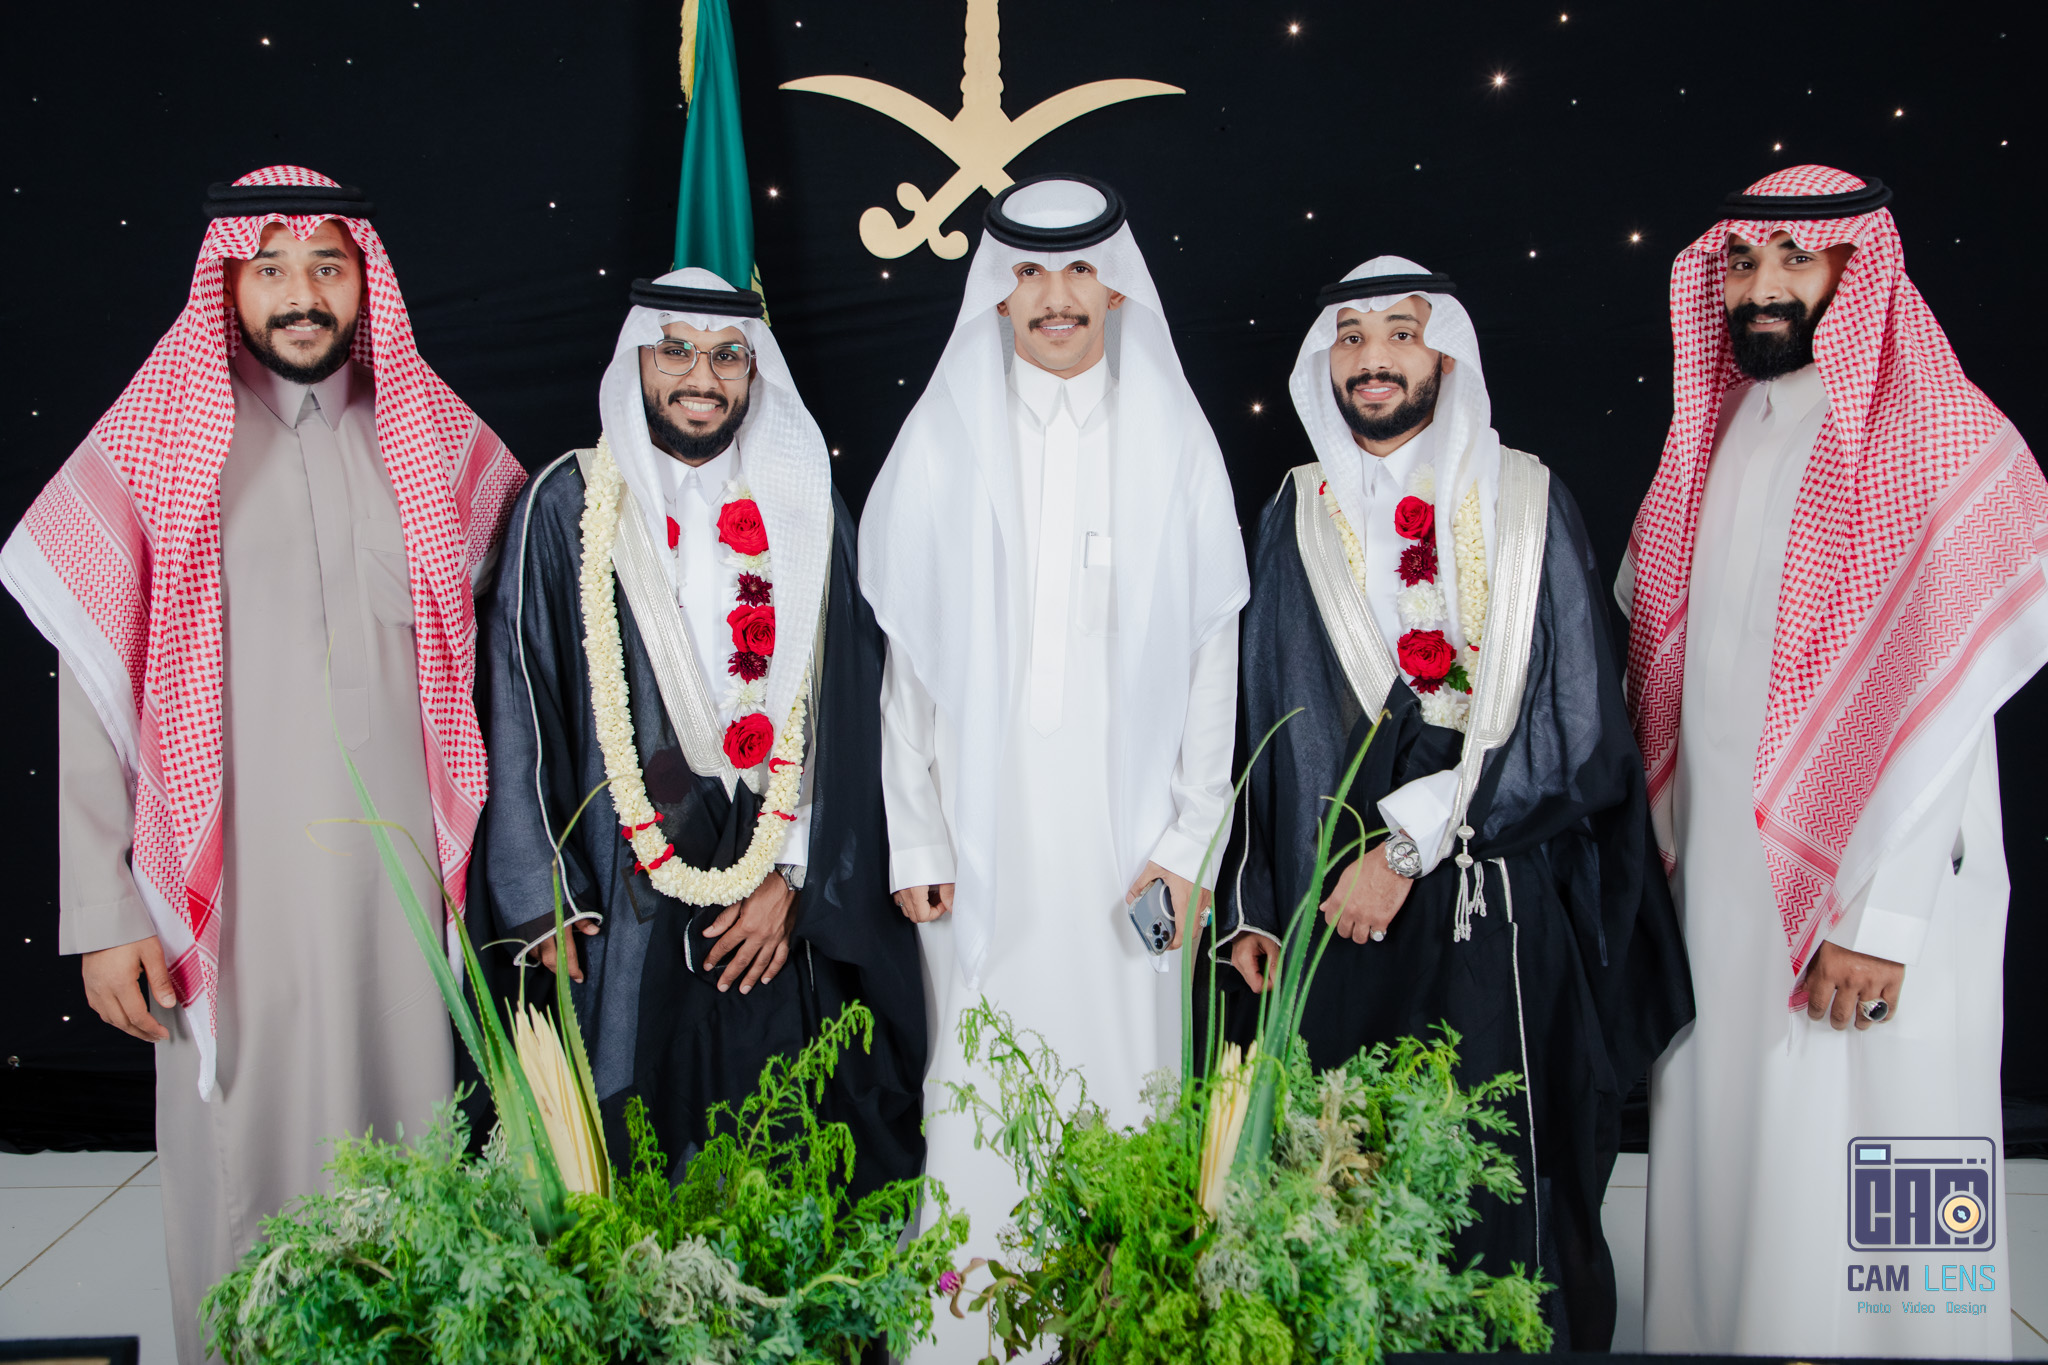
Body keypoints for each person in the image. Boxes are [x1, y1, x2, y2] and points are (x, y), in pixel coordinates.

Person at [0, 166, 526, 1362]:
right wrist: (102, 914)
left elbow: (512, 657)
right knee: (244, 1179)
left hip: (399, 899)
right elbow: (92, 680)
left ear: (364, 283)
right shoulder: (157, 441)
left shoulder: (431, 438)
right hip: (228, 896)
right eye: (272, 268)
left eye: (328, 267)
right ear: (227, 283)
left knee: (411, 1161)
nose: (302, 295)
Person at [1219, 256, 1692, 1349]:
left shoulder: (1522, 499)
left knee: (1497, 1180)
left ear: (1446, 355)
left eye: (1400, 331)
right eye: (1350, 337)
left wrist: (1407, 846)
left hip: (1494, 893)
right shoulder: (1295, 511)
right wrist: (1256, 903)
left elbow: (1574, 721)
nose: (1373, 358)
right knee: (1339, 1180)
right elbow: (1262, 719)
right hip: (1331, 912)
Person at [1626, 166, 2048, 1357]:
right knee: (1736, 1156)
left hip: (1867, 897)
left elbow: (1948, 708)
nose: (1758, 288)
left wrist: (1879, 921)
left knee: (1875, 1170)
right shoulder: (1719, 431)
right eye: (1738, 262)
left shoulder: (1939, 435)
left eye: (1792, 260)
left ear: (1857, 271)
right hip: (1721, 886)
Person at [859, 175, 1247, 1363]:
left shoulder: (1172, 439)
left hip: (1132, 856)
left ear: (1115, 285)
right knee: (978, 1093)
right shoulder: (943, 439)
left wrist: (1188, 845)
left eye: (1078, 268)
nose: (1055, 296)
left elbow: (1212, 655)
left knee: (1126, 1091)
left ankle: (1117, 1339)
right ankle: (972, 1342)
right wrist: (916, 832)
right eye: (1028, 272)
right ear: (997, 292)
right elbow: (906, 664)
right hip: (982, 850)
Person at [477, 269, 925, 1194]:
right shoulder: (569, 503)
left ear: (754, 373)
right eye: (675, 350)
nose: (701, 377)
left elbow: (854, 702)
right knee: (636, 1163)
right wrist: (544, 894)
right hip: (625, 889)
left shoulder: (804, 506)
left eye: (727, 356)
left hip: (773, 885)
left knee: (785, 1149)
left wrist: (796, 876)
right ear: (636, 361)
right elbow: (521, 694)